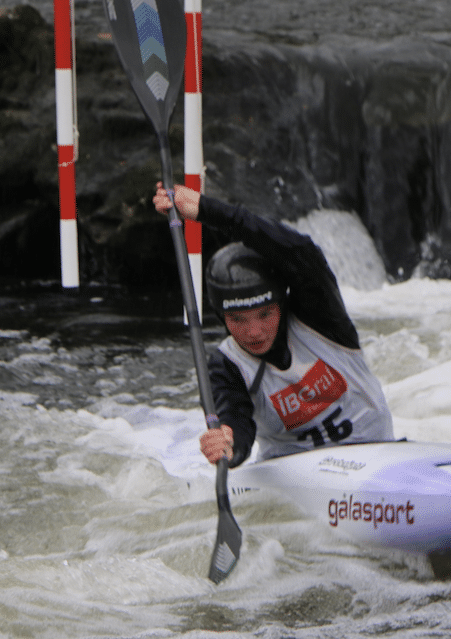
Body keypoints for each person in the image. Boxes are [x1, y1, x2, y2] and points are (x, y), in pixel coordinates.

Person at [153, 183, 394, 467]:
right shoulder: (227, 364)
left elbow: (301, 251)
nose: (254, 332)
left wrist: (207, 210)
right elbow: (237, 422)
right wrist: (228, 443)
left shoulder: (321, 319)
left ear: (281, 302)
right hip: (296, 476)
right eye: (238, 319)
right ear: (221, 317)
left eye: (265, 314)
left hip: (375, 456)